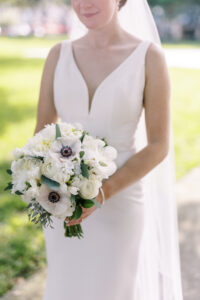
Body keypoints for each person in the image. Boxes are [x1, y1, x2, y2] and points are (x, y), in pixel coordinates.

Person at [34, 0, 183, 299]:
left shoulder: (148, 57)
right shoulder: (57, 55)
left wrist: (102, 192)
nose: (84, 3)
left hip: (120, 207)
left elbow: (158, 145)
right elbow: (41, 135)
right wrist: (49, 184)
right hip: (63, 205)